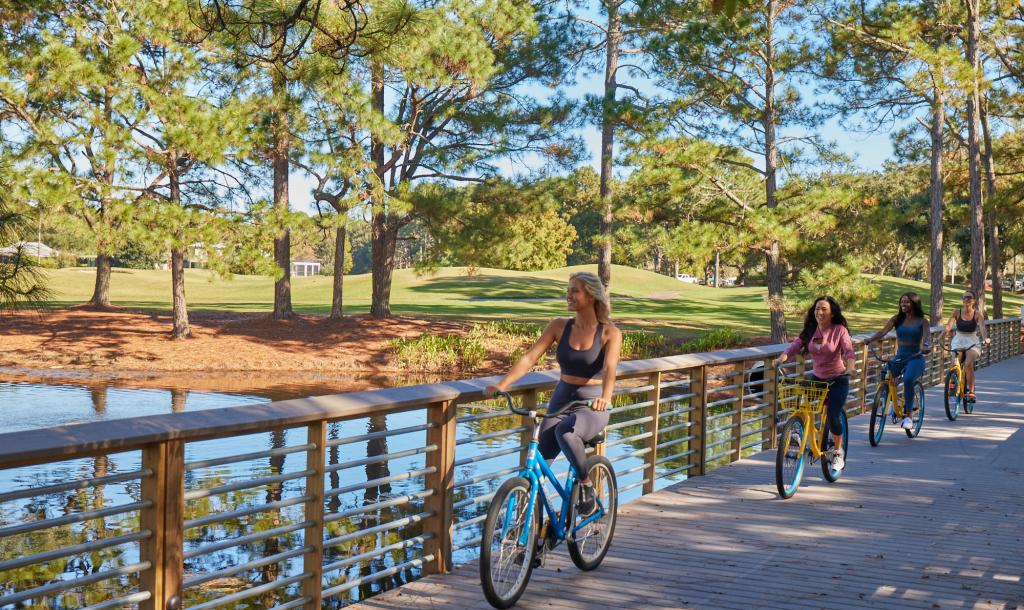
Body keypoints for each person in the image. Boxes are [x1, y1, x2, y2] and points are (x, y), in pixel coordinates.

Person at [486, 272, 622, 517]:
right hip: (560, 401)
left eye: (575, 291)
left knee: (566, 432)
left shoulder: (609, 333)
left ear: (591, 295)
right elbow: (529, 358)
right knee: (535, 469)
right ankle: (532, 542)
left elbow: (611, 368)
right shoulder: (560, 326)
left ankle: (586, 485)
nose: (568, 296)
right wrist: (502, 384)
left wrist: (606, 397)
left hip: (591, 406)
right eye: (567, 290)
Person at [772, 296, 856, 471]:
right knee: (801, 405)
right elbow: (794, 346)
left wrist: (850, 367)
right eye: (817, 308)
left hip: (837, 379)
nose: (819, 312)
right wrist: (781, 358)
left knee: (833, 414)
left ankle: (838, 452)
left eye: (824, 309)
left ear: (832, 313)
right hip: (817, 378)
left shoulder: (839, 330)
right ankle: (796, 431)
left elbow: (848, 350)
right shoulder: (810, 330)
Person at [867, 292, 931, 429]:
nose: (903, 304)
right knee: (885, 374)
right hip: (900, 356)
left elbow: (927, 336)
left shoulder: (922, 321)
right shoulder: (896, 319)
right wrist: (870, 339)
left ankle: (909, 416)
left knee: (908, 380)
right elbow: (882, 332)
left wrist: (925, 346)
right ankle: (891, 400)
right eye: (902, 301)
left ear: (914, 303)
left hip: (915, 357)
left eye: (907, 302)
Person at [941, 290, 990, 401]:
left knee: (968, 364)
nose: (966, 299)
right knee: (954, 361)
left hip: (972, 340)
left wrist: (985, 338)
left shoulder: (977, 314)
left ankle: (971, 391)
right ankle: (953, 383)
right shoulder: (957, 312)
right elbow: (949, 325)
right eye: (964, 297)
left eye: (969, 297)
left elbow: (982, 327)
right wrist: (941, 336)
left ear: (973, 301)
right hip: (958, 339)